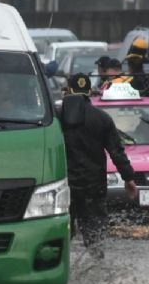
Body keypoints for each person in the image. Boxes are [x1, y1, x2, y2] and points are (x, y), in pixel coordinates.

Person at [59, 74, 138, 258]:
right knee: (95, 233)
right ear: (89, 92)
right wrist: (128, 178)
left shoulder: (55, 118)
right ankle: (96, 265)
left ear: (68, 91)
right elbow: (116, 152)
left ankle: (60, 267)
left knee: (61, 233)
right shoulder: (102, 118)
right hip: (93, 185)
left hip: (62, 186)